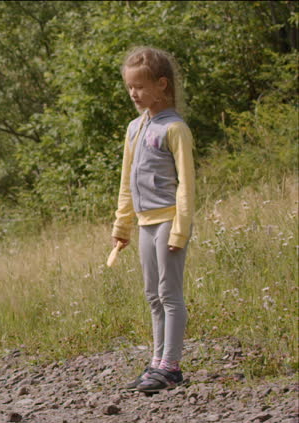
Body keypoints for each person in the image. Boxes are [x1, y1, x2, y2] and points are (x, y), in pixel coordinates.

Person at [112, 46, 195, 393]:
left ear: (162, 85)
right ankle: (156, 362)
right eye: (130, 87)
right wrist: (122, 225)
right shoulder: (134, 128)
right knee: (152, 294)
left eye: (140, 87)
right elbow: (126, 180)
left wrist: (180, 228)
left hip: (167, 221)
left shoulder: (175, 129)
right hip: (144, 222)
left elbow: (187, 186)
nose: (134, 93)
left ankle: (171, 366)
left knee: (169, 293)